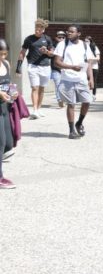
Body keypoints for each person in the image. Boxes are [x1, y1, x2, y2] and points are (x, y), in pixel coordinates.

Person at [53, 25, 94, 140]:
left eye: (71, 32)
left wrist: (91, 79)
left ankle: (79, 123)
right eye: (68, 31)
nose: (68, 33)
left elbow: (89, 63)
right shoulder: (62, 44)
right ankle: (71, 131)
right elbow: (56, 62)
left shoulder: (85, 45)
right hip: (67, 79)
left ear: (79, 33)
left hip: (81, 79)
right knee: (71, 104)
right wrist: (71, 67)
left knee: (87, 101)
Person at [16, 19, 56, 119]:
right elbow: (22, 53)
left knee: (42, 89)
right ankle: (34, 110)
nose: (37, 30)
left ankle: (38, 109)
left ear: (43, 29)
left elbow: (52, 54)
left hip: (45, 66)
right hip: (33, 66)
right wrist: (18, 67)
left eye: (39, 29)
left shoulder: (47, 39)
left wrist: (46, 51)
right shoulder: (29, 39)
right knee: (34, 88)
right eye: (36, 28)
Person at [0, 39, 18, 188]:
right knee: (0, 142)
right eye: (0, 54)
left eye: (5, 54)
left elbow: (9, 83)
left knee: (8, 144)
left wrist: (13, 92)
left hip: (4, 107)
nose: (3, 57)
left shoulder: (6, 64)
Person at [50, 29, 66, 108]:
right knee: (58, 84)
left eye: (63, 37)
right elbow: (51, 53)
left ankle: (64, 99)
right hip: (55, 68)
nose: (61, 39)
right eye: (59, 37)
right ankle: (60, 100)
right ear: (56, 37)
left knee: (65, 85)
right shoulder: (53, 45)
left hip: (65, 68)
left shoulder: (68, 45)